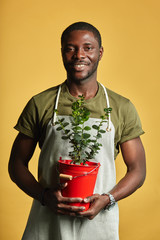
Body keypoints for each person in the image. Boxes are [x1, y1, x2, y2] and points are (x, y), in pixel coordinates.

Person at [9, 22, 146, 240]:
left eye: (88, 47)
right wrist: (44, 197)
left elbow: (138, 170)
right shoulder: (41, 103)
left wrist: (108, 198)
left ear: (100, 53)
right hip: (47, 222)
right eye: (70, 48)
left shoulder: (122, 107)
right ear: (62, 53)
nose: (79, 55)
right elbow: (16, 164)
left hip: (99, 222)